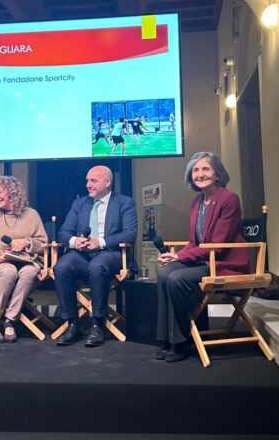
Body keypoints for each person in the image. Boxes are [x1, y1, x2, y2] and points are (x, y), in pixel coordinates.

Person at [154, 151, 248, 362]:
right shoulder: (197, 202)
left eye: (206, 169)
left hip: (223, 262)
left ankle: (181, 342)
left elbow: (218, 246)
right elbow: (195, 243)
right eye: (195, 170)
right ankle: (167, 339)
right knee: (164, 273)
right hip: (206, 259)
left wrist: (180, 258)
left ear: (217, 174)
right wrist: (174, 256)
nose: (200, 174)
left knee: (177, 278)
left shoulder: (229, 199)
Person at [54, 165, 137, 347]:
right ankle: (73, 324)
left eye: (93, 181)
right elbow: (63, 232)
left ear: (107, 182)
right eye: (87, 181)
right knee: (61, 267)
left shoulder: (124, 202)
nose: (88, 185)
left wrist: (101, 241)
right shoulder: (79, 203)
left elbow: (130, 234)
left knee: (97, 266)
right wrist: (75, 241)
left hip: (110, 253)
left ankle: (97, 324)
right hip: (83, 254)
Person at [0, 175, 47, 343]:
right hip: (3, 263)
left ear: (13, 192)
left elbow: (43, 244)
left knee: (30, 272)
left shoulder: (31, 215)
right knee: (9, 271)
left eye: (0, 192)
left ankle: (10, 320)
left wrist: (26, 242)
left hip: (28, 260)